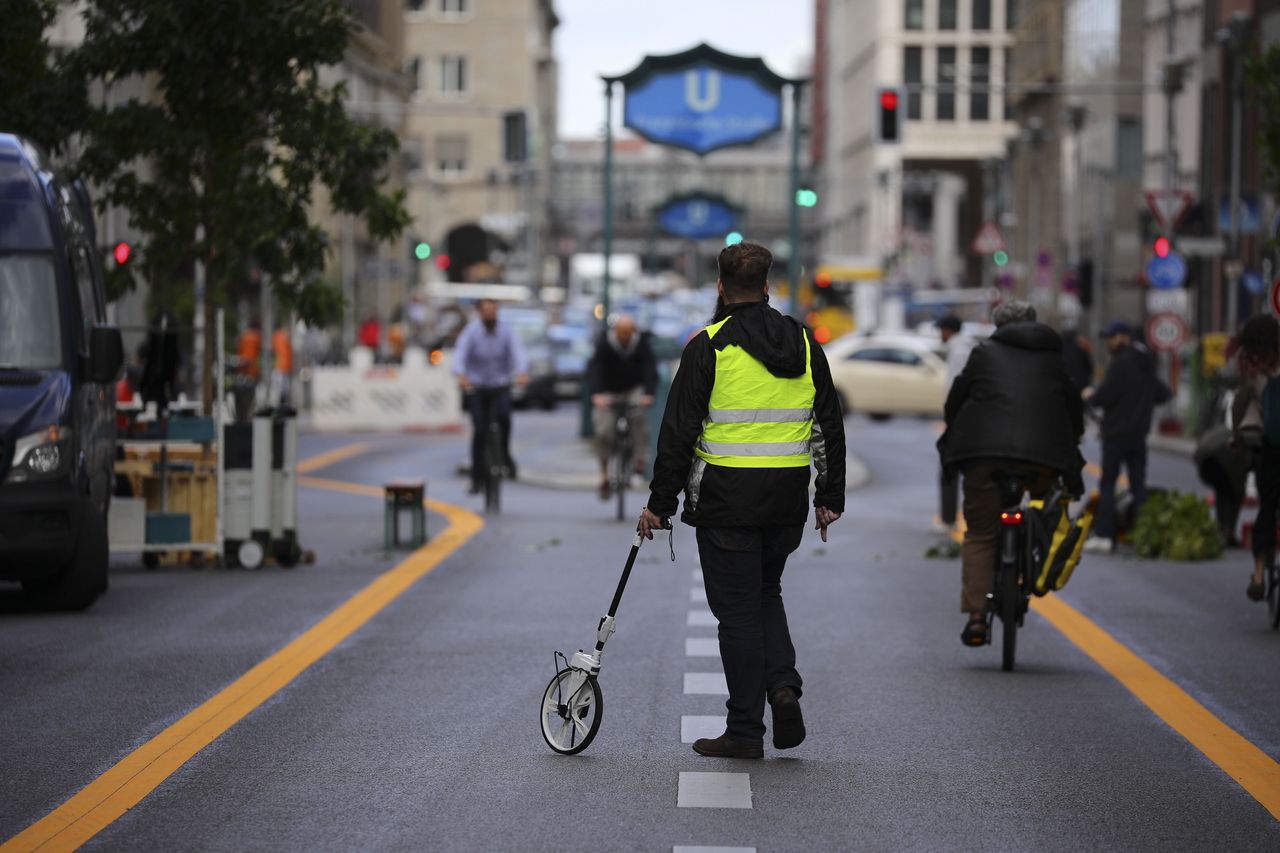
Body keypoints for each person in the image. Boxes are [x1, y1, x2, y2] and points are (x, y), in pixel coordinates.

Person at [638, 242, 846, 759]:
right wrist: (829, 495)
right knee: (765, 593)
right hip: (784, 502)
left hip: (727, 502)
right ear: (768, 287)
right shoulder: (803, 343)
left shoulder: (708, 347)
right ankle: (782, 686)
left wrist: (659, 503)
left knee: (736, 615)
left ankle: (745, 730)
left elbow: (678, 432)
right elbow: (828, 425)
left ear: (721, 287)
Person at [938, 301, 1084, 647]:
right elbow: (1074, 407)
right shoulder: (1053, 357)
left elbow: (956, 399)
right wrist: (1072, 439)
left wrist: (954, 425)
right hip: (1043, 459)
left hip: (984, 457)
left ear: (997, 327)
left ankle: (976, 617)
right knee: (1049, 504)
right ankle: (1040, 552)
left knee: (980, 534)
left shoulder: (983, 353)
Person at [1083, 320, 1172, 553]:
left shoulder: (1121, 364)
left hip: (1116, 434)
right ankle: (1144, 536)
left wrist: (1090, 395)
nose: (1109, 343)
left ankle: (1104, 535)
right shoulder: (1145, 364)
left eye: (1112, 338)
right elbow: (1163, 394)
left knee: (1108, 485)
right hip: (1139, 435)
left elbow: (1103, 397)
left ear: (1124, 337)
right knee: (1138, 487)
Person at [452, 299, 529, 493]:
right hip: (477, 385)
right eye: (486, 311)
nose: (490, 315)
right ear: (480, 313)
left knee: (504, 417)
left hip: (500, 384)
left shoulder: (506, 332)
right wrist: (461, 375)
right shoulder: (471, 332)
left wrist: (521, 372)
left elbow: (518, 352)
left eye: (492, 311)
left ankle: (505, 456)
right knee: (479, 430)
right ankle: (477, 477)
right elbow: (459, 354)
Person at [1230, 314, 1280, 601]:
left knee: (1267, 508)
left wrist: (1237, 437)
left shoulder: (1255, 369)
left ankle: (1260, 574)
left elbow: (1240, 405)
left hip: (1271, 448)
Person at [587, 313, 659, 499]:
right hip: (609, 390)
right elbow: (595, 368)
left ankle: (639, 457)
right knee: (603, 430)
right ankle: (604, 476)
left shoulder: (641, 343)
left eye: (628, 333)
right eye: (621, 333)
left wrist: (648, 394)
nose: (625, 337)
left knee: (638, 416)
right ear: (615, 331)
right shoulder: (605, 343)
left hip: (633, 389)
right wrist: (597, 394)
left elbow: (650, 368)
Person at [935, 315, 973, 533]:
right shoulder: (965, 348)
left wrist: (950, 419)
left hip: (959, 419)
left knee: (949, 468)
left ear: (948, 330)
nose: (940, 334)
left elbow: (954, 387)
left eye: (941, 329)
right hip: (966, 418)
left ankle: (948, 519)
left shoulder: (959, 352)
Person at [1194, 425, 1251, 549]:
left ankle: (1223, 530)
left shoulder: (1242, 438)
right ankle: (1227, 531)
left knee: (1222, 490)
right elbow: (1239, 483)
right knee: (1232, 493)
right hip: (1218, 456)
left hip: (1203, 455)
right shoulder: (1248, 448)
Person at [1060, 326, 1095, 391]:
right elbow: (1089, 367)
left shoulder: (1059, 350)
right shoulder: (1081, 348)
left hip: (1064, 387)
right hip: (1081, 386)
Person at [270, 322, 294, 405]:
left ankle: (280, 402)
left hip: (279, 365)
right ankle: (283, 401)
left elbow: (273, 350)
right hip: (285, 365)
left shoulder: (275, 336)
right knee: (284, 387)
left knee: (278, 386)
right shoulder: (285, 335)